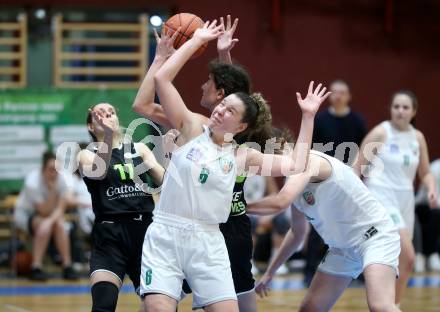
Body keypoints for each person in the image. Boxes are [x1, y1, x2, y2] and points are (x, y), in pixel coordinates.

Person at [139, 20, 330, 312]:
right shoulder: (191, 126)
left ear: (240, 126)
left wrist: (308, 117)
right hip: (167, 232)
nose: (219, 109)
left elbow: (295, 164)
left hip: (209, 238)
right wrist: (194, 40)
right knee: (156, 308)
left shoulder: (243, 156)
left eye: (229, 110)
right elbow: (163, 79)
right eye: (221, 104)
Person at [133, 16, 257, 312]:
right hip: (180, 223)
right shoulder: (193, 123)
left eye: (209, 83)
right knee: (157, 303)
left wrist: (218, 53)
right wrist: (161, 58)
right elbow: (143, 105)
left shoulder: (239, 126)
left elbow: (240, 99)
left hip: (223, 227)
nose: (202, 85)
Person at [250, 150, 401, 312]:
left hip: (374, 237)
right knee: (311, 309)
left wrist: (238, 206)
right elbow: (297, 233)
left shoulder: (309, 161)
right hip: (341, 249)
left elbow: (279, 203)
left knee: (380, 306)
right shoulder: (292, 183)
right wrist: (270, 271)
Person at [353, 90, 438, 306]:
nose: (400, 111)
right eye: (396, 106)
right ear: (391, 109)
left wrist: (430, 188)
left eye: (405, 107)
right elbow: (356, 168)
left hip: (405, 201)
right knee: (409, 256)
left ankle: (393, 305)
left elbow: (425, 172)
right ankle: (388, 305)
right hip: (380, 196)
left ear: (414, 111)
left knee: (401, 260)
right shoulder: (380, 133)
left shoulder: (417, 137)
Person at [77, 103, 164, 312]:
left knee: (160, 306)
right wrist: (107, 136)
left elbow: (165, 182)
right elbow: (99, 172)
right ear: (91, 126)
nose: (107, 117)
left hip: (144, 232)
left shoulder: (139, 149)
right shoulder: (86, 155)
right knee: (103, 305)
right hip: (110, 234)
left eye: (111, 112)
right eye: (100, 115)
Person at [304, 79, 368, 285]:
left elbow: (364, 151)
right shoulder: (321, 120)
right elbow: (311, 149)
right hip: (323, 181)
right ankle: (310, 271)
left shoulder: (358, 121)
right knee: (319, 225)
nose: (338, 96)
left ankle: (357, 271)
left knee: (352, 226)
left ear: (348, 96)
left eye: (342, 92)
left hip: (349, 182)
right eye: (335, 92)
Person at [14, 151, 78, 281]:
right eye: (51, 169)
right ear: (43, 169)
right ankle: (35, 266)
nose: (54, 172)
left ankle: (67, 266)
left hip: (49, 216)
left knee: (58, 224)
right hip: (26, 214)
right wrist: (54, 191)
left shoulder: (61, 180)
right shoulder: (32, 182)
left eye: (57, 169)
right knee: (46, 224)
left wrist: (49, 222)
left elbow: (61, 209)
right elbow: (43, 210)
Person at [415, 159, 440, 271]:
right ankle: (431, 255)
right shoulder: (435, 168)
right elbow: (433, 197)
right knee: (436, 214)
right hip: (422, 206)